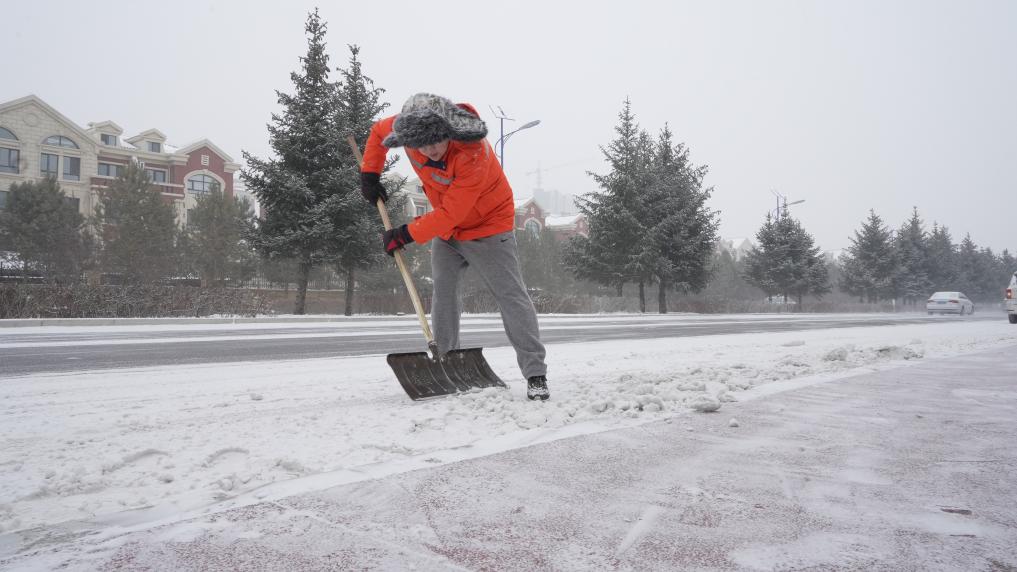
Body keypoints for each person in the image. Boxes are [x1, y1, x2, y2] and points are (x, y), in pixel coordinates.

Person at [359, 93, 549, 401]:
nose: (430, 150)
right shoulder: (407, 130)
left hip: (489, 228)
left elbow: (453, 212)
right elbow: (377, 133)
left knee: (510, 296)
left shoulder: (473, 152)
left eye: (437, 141)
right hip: (447, 231)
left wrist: (405, 234)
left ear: (449, 130)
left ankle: (535, 372)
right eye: (422, 145)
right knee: (444, 293)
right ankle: (448, 362)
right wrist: (369, 174)